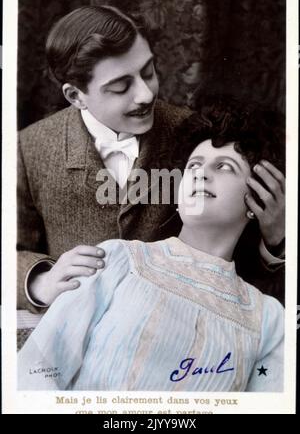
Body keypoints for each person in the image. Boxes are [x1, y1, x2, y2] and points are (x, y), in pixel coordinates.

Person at [17, 5, 285, 316]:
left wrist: (276, 241)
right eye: (120, 87)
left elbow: (234, 246)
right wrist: (39, 281)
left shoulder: (195, 134)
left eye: (148, 72)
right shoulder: (29, 148)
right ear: (75, 96)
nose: (145, 94)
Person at [18, 102, 284, 391]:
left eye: (224, 167)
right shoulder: (117, 261)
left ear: (258, 198)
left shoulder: (267, 320)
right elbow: (34, 374)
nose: (200, 173)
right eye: (193, 165)